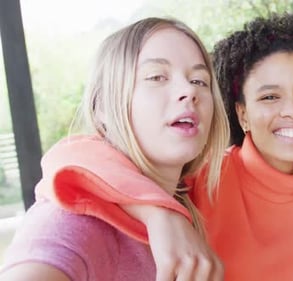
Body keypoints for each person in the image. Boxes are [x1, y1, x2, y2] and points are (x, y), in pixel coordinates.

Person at [31, 13, 293, 281]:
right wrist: (158, 210)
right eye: (270, 96)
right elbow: (71, 159)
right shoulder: (199, 180)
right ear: (241, 113)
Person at [0, 17, 229, 281]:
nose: (188, 90)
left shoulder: (197, 193)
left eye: (200, 80)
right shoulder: (75, 217)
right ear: (103, 109)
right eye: (156, 76)